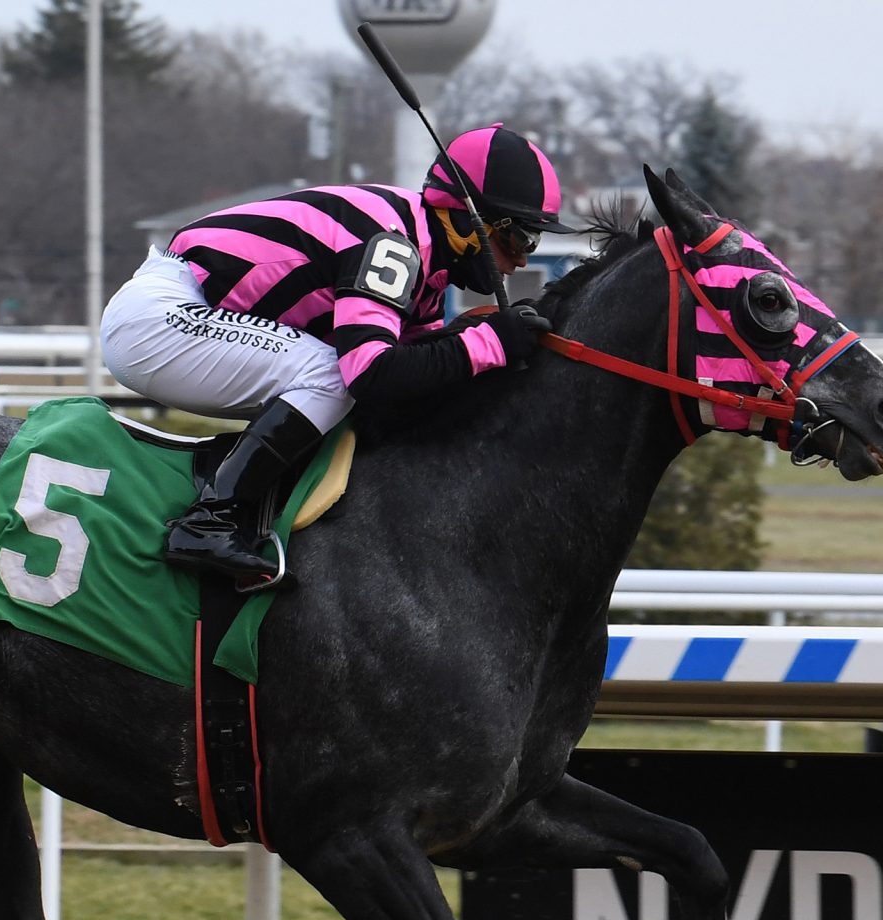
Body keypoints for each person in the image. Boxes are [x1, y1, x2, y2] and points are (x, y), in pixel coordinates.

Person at [101, 123, 576, 587]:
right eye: (520, 238)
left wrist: (464, 341)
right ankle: (209, 521)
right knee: (333, 376)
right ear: (466, 221)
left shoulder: (426, 267)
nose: (522, 259)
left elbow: (414, 378)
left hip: (185, 312)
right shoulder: (394, 244)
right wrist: (486, 345)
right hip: (161, 317)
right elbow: (371, 374)